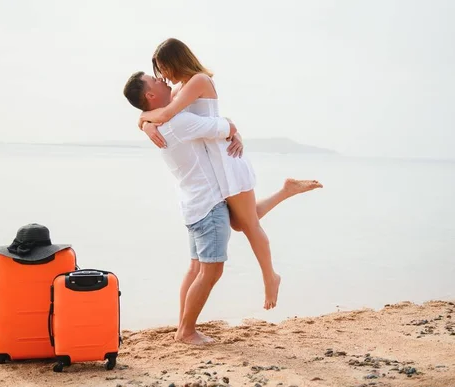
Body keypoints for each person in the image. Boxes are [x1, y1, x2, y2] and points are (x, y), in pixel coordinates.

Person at [138, 38, 323, 310]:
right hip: (216, 164)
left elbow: (166, 113)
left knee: (248, 225)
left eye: (163, 67)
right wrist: (143, 122)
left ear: (176, 60)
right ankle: (287, 190)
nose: (162, 75)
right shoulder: (180, 88)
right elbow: (155, 110)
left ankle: (271, 277)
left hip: (228, 160)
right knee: (240, 221)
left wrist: (145, 123)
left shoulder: (199, 80)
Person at [123, 71, 242, 345]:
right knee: (211, 271)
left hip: (193, 204)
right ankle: (187, 331)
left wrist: (143, 121)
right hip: (208, 205)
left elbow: (153, 114)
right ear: (151, 96)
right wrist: (233, 129)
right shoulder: (180, 121)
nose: (163, 80)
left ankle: (183, 326)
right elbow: (226, 127)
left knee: (195, 268)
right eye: (155, 81)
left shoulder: (165, 122)